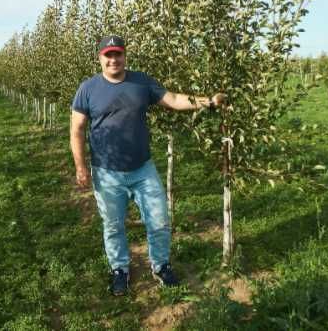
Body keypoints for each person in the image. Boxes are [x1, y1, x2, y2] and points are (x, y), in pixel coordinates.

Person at [70, 34, 225, 296]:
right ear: (100, 58)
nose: (113, 60)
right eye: (108, 55)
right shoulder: (88, 88)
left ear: (124, 55)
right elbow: (77, 129)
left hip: (142, 169)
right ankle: (120, 269)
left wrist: (208, 101)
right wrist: (81, 167)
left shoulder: (141, 81)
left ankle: (161, 265)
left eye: (118, 54)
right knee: (113, 224)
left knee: (160, 220)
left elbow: (174, 100)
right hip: (107, 172)